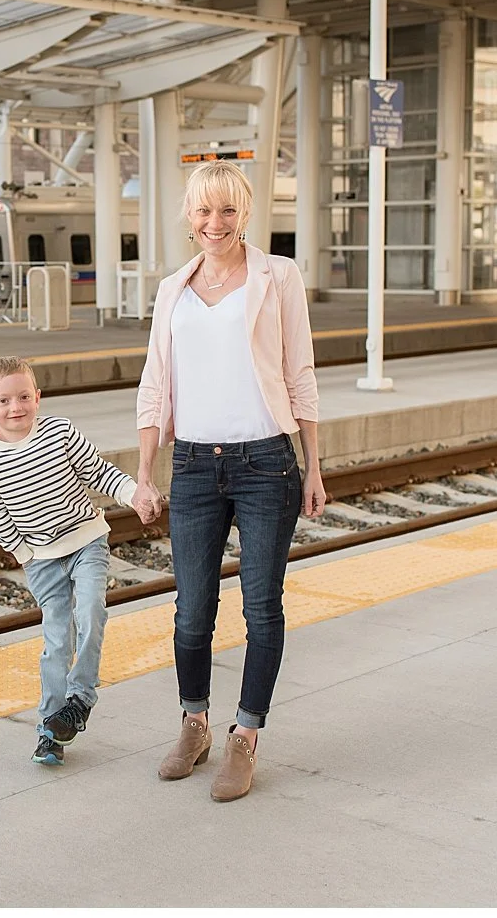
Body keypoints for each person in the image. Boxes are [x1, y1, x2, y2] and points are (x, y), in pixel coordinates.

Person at [131, 160, 325, 802]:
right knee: (192, 611)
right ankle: (195, 724)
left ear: (246, 215)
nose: (216, 223)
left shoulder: (279, 276)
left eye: (228, 211)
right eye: (204, 211)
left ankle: (245, 738)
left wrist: (313, 466)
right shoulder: (171, 290)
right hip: (192, 465)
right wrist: (145, 472)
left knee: (262, 607)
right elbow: (155, 382)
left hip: (267, 461)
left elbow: (301, 371)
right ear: (189, 217)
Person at [0, 355, 145, 767]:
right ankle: (50, 730)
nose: (16, 408)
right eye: (4, 401)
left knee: (92, 611)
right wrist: (27, 555)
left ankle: (79, 699)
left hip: (87, 542)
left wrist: (133, 494)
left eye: (24, 397)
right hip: (41, 561)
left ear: (38, 397)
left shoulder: (59, 432)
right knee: (56, 642)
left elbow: (100, 473)